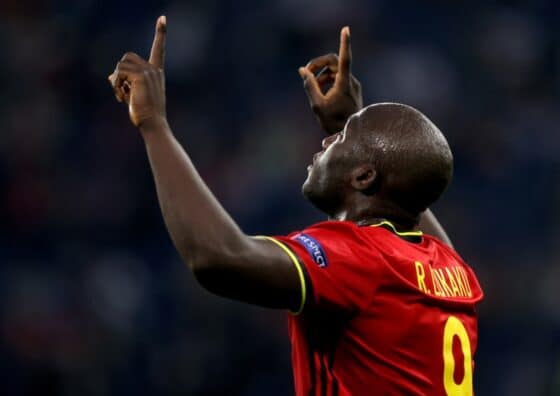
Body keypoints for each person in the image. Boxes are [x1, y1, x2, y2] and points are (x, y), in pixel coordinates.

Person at [108, 16, 484, 396]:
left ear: (364, 177)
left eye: (340, 141)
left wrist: (154, 123)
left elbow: (219, 257)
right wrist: (350, 123)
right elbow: (411, 195)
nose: (324, 143)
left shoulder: (360, 257)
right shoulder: (451, 271)